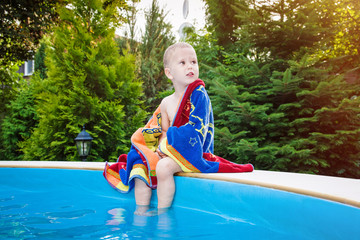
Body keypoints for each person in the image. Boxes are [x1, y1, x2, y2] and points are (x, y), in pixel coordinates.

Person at [103, 42, 253, 216]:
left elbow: (197, 129)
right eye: (182, 63)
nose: (190, 66)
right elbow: (162, 130)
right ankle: (141, 212)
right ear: (169, 73)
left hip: (192, 152)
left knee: (164, 168)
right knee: (140, 167)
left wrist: (169, 147)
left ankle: (162, 212)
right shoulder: (166, 102)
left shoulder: (199, 95)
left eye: (193, 62)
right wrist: (160, 147)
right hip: (169, 150)